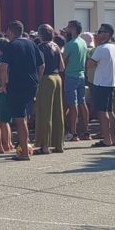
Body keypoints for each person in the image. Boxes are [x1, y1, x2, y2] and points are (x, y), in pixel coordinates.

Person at [0, 21, 44, 161]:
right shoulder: (31, 43)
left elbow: (3, 68)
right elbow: (42, 65)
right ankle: (25, 147)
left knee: (19, 119)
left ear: (11, 32)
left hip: (17, 84)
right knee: (24, 116)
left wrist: (3, 84)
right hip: (32, 83)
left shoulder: (11, 46)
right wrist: (38, 81)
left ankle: (24, 152)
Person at [34, 25, 65, 155]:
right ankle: (59, 144)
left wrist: (38, 81)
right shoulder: (56, 46)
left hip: (46, 79)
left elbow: (42, 66)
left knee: (44, 112)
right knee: (58, 112)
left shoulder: (40, 47)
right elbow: (62, 67)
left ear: (41, 34)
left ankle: (45, 145)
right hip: (57, 78)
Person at [88, 23, 115, 148]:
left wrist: (95, 45)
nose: (98, 34)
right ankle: (112, 138)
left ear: (107, 34)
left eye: (101, 32)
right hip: (110, 82)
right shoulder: (114, 47)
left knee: (102, 112)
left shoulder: (101, 48)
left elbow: (90, 64)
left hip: (101, 83)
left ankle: (107, 139)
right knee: (110, 111)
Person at [63, 20, 90, 142]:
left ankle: (74, 133)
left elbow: (63, 60)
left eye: (68, 27)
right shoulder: (83, 42)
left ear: (73, 29)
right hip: (81, 75)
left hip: (71, 76)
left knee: (72, 104)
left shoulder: (71, 44)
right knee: (82, 103)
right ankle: (86, 131)